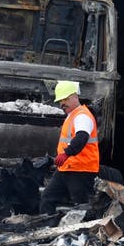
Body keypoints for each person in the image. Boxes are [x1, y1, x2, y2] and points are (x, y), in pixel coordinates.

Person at [39, 81, 99, 214]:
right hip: (67, 168)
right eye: (60, 100)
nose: (62, 103)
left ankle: (84, 233)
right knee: (47, 198)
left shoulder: (82, 116)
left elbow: (82, 137)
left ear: (75, 97)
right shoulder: (72, 116)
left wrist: (66, 154)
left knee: (82, 207)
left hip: (81, 169)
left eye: (65, 99)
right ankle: (47, 229)